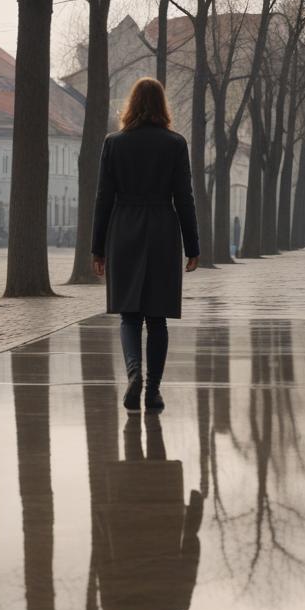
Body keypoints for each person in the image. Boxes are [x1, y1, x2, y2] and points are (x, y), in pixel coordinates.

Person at [92, 77, 200, 414]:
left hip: (124, 229)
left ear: (131, 105)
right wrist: (192, 246)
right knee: (157, 318)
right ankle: (153, 390)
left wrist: (98, 248)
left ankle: (133, 372)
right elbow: (184, 197)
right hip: (163, 232)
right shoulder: (175, 144)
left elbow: (103, 199)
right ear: (162, 106)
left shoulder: (114, 143)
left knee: (129, 315)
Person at [97, 414, 202, 610]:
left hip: (164, 519)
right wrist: (101, 519)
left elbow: (189, 559)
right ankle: (134, 405)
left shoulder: (176, 606)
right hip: (123, 520)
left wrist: (192, 523)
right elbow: (103, 565)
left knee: (157, 456)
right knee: (132, 450)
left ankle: (148, 402)